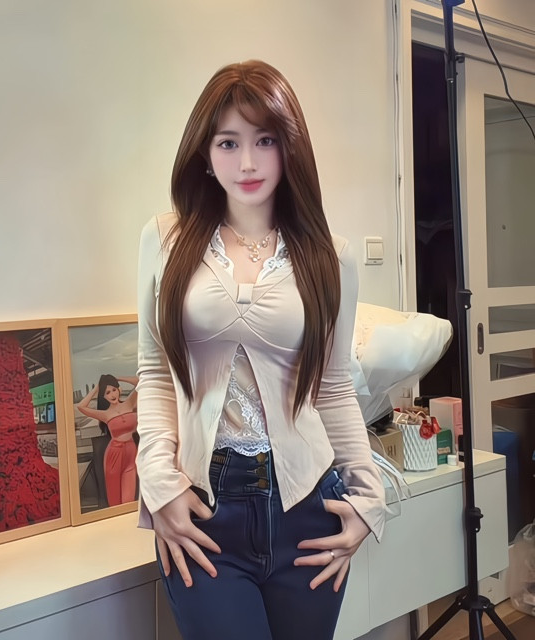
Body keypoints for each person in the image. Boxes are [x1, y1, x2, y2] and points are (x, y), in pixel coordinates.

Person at [136, 60, 386, 640]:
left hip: (308, 506)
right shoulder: (165, 239)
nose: (247, 163)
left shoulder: (332, 256)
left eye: (265, 140)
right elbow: (154, 371)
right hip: (203, 508)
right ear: (205, 153)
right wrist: (159, 482)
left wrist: (368, 497)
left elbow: (333, 386)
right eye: (228, 142)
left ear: (290, 147)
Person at [76, 374, 139, 506]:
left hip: (131, 453)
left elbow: (141, 382)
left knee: (128, 500)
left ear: (119, 389)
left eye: (114, 390)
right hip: (114, 454)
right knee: (114, 499)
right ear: (104, 396)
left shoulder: (129, 403)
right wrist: (96, 389)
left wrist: (118, 378)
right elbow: (81, 407)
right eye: (107, 393)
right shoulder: (105, 414)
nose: (112, 395)